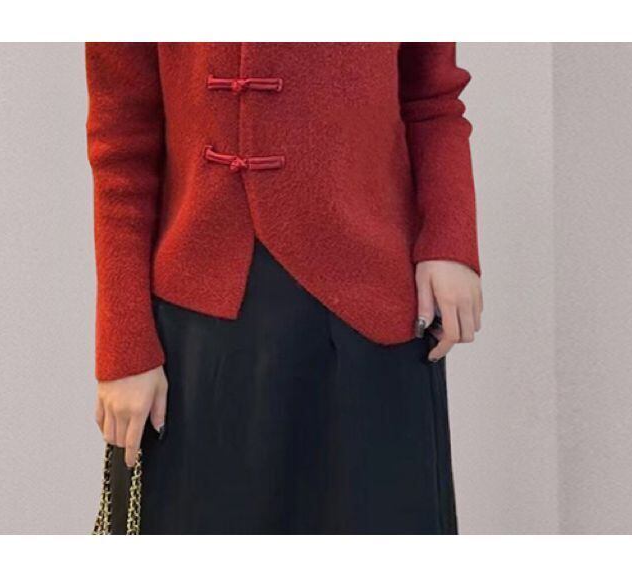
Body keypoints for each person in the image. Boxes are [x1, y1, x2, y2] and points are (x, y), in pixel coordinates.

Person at [85, 42, 482, 534]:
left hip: (371, 314)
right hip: (200, 332)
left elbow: (431, 98)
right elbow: (122, 142)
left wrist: (449, 240)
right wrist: (124, 348)